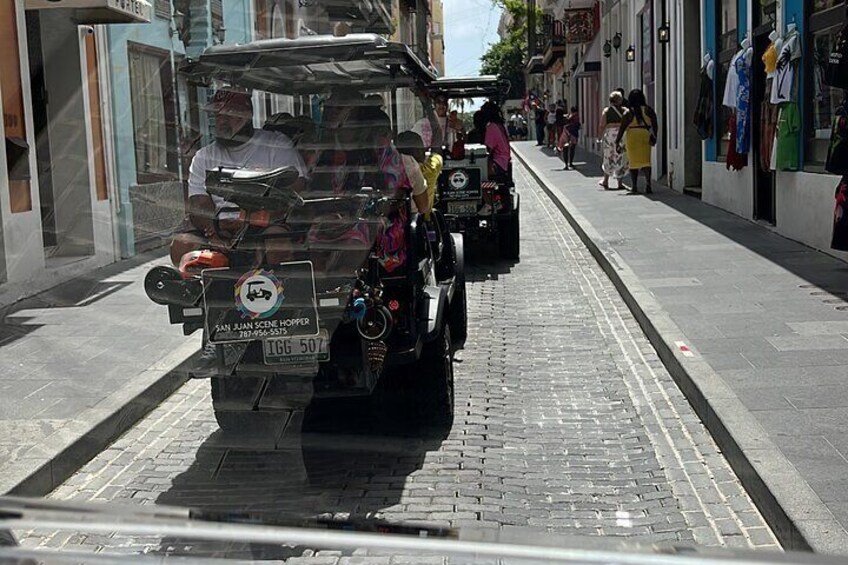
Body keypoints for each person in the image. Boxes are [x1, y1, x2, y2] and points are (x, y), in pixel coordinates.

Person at [170, 89, 308, 266]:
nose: (221, 122)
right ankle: (203, 291)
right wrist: (214, 232)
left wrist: (249, 220)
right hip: (220, 227)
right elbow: (199, 203)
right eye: (217, 116)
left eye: (228, 115)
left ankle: (278, 288)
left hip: (265, 223)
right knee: (181, 245)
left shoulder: (276, 145)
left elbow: (295, 188)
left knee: (276, 243)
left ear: (247, 115)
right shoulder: (204, 156)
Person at [615, 89, 659, 194]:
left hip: (632, 136)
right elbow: (655, 124)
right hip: (644, 135)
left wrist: (617, 141)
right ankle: (648, 184)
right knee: (646, 161)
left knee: (633, 162)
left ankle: (634, 186)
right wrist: (654, 136)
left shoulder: (628, 112)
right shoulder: (648, 110)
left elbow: (622, 128)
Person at [397, 131, 443, 218]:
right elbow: (437, 153)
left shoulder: (394, 169)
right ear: (420, 150)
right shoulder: (430, 167)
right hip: (422, 222)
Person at [478, 100, 511, 215]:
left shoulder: (491, 127)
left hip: (498, 162)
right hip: (504, 161)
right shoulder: (500, 125)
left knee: (479, 172)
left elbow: (487, 149)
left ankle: (488, 203)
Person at [598, 91, 629, 190]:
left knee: (608, 156)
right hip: (621, 135)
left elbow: (602, 125)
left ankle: (606, 180)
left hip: (610, 135)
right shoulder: (625, 110)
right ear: (620, 100)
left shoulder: (606, 111)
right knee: (620, 156)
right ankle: (620, 182)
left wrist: (599, 137)